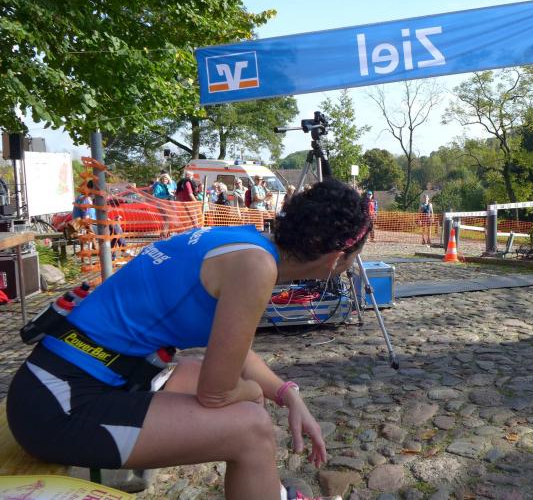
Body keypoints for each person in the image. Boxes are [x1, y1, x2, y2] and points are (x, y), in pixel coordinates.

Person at [6, 180, 370, 500]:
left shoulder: (242, 242)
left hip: (57, 380)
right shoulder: (257, 268)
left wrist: (287, 393)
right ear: (336, 259)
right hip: (57, 408)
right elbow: (216, 394)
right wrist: (252, 392)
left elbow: (235, 353)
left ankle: (272, 492)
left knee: (221, 384)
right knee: (251, 427)